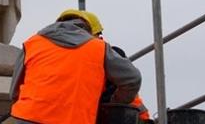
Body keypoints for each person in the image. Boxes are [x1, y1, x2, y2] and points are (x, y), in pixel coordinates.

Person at [9, 9, 142, 124]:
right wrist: (116, 102)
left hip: (28, 118)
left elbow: (14, 93)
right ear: (90, 30)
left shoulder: (32, 43)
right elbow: (132, 79)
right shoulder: (98, 47)